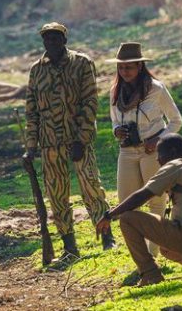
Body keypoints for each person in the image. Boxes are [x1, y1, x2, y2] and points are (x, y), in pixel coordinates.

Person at [24, 21, 116, 260]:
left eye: (56, 38)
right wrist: (31, 146)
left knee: (91, 186)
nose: (51, 42)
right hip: (49, 143)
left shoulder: (82, 63)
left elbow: (90, 102)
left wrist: (81, 139)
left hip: (78, 140)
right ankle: (69, 245)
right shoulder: (36, 70)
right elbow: (31, 110)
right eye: (47, 38)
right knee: (56, 194)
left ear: (64, 40)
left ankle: (107, 236)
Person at [95, 134, 182, 287]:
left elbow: (142, 195)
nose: (157, 159)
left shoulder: (174, 166)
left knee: (127, 219)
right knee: (164, 248)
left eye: (160, 153)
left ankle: (150, 274)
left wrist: (110, 215)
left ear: (172, 152)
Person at [106, 42, 182, 256]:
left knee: (156, 200)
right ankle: (139, 253)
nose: (124, 71)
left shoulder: (156, 89)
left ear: (140, 66)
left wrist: (159, 140)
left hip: (152, 151)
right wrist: (116, 131)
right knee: (126, 203)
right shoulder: (115, 90)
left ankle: (153, 252)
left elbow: (176, 120)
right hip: (127, 151)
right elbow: (114, 120)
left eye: (129, 67)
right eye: (121, 67)